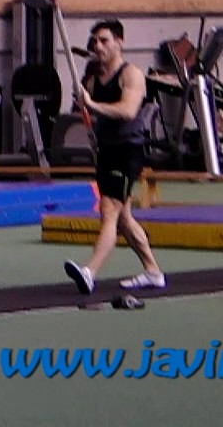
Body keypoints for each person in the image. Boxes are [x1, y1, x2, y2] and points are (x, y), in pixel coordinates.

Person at [63, 19, 166, 295]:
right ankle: (153, 271)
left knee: (109, 211)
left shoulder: (131, 75)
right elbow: (88, 113)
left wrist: (92, 104)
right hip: (106, 150)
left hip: (128, 151)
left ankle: (90, 272)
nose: (98, 46)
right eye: (95, 41)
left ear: (120, 42)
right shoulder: (93, 78)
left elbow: (127, 111)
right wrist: (84, 106)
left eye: (104, 40)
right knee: (123, 219)